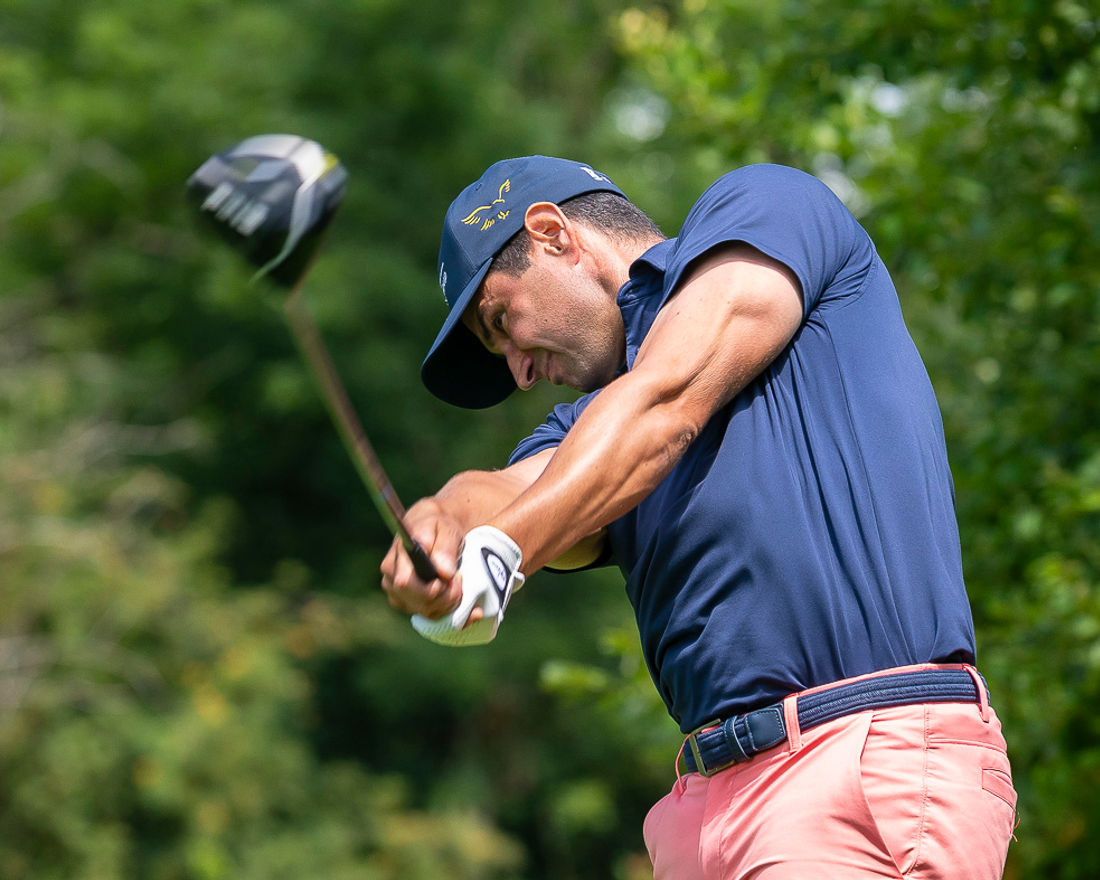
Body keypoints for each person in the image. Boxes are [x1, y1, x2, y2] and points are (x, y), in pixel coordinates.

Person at [379, 155, 1017, 878]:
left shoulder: (768, 208)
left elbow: (665, 402)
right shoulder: (593, 430)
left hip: (855, 758)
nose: (519, 371)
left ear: (553, 234)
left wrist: (502, 551)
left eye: (502, 321)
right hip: (703, 806)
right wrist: (447, 522)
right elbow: (512, 490)